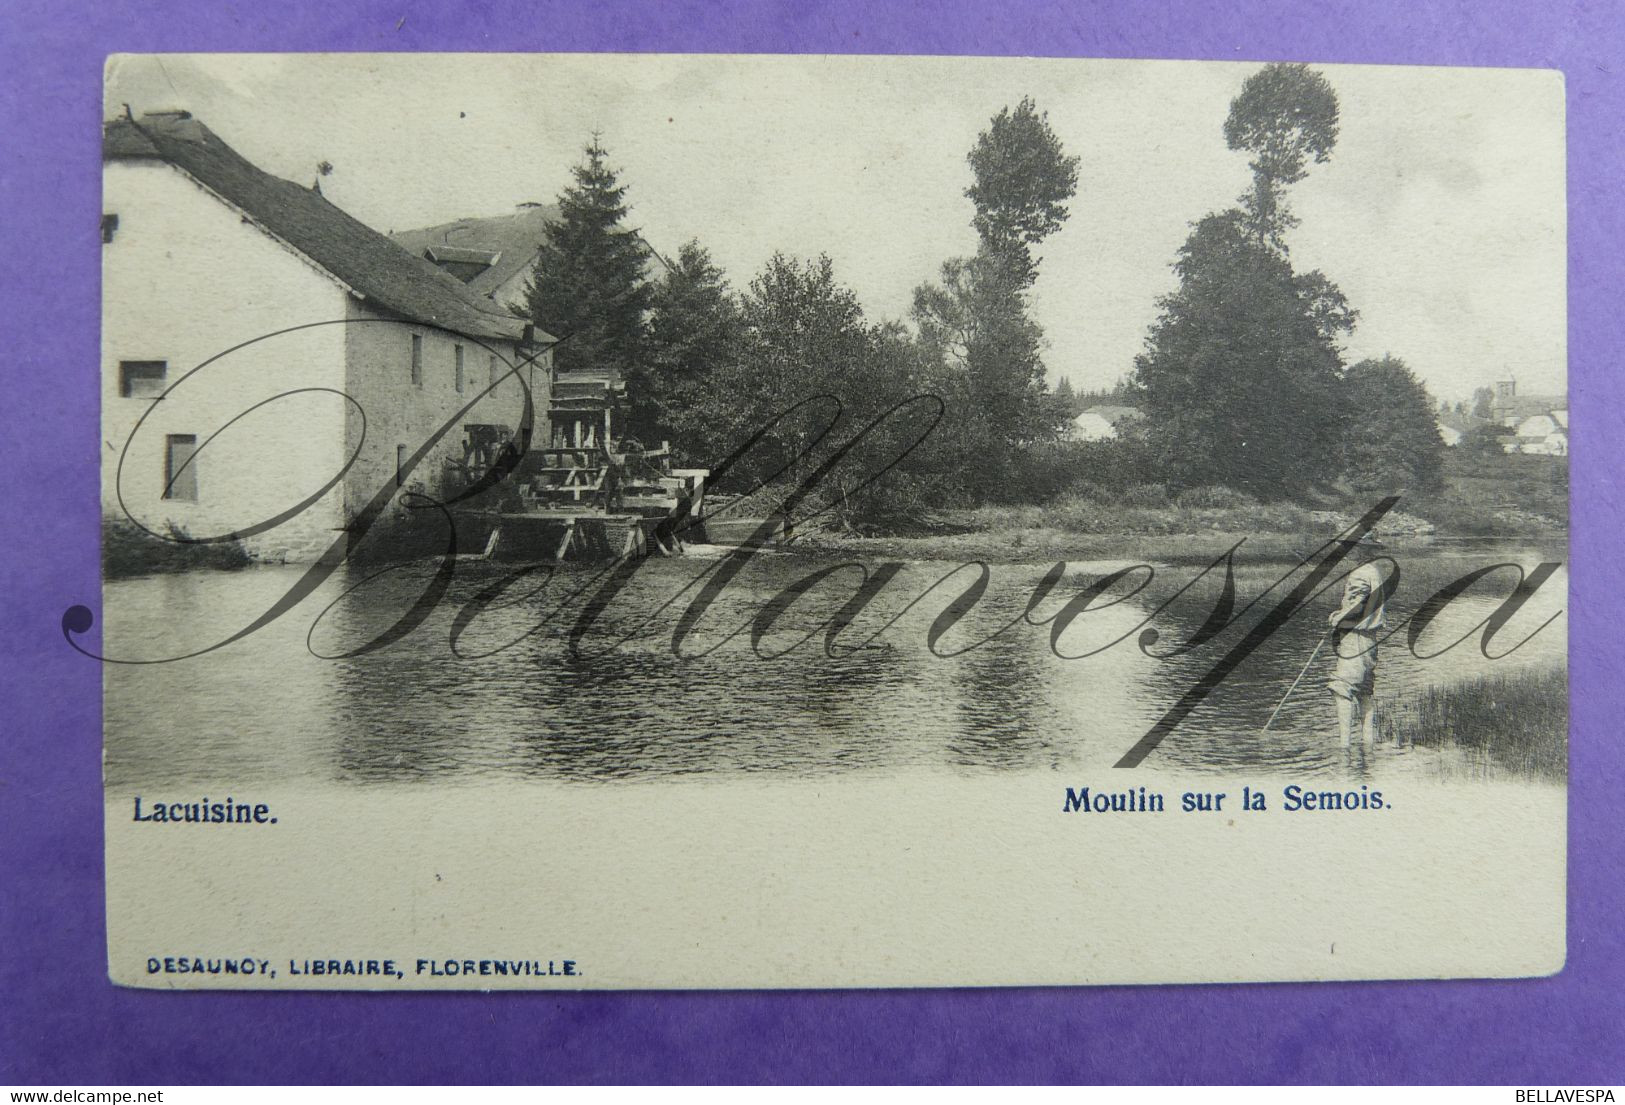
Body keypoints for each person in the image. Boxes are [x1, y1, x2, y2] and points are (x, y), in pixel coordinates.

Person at [1327, 534, 1392, 751]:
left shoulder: (1359, 574)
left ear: (1360, 551)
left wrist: (1338, 618)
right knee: (1364, 690)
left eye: (1351, 548)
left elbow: (1358, 606)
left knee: (1341, 688)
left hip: (1355, 636)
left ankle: (1343, 746)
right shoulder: (1373, 571)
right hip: (1369, 638)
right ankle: (1367, 744)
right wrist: (1341, 613)